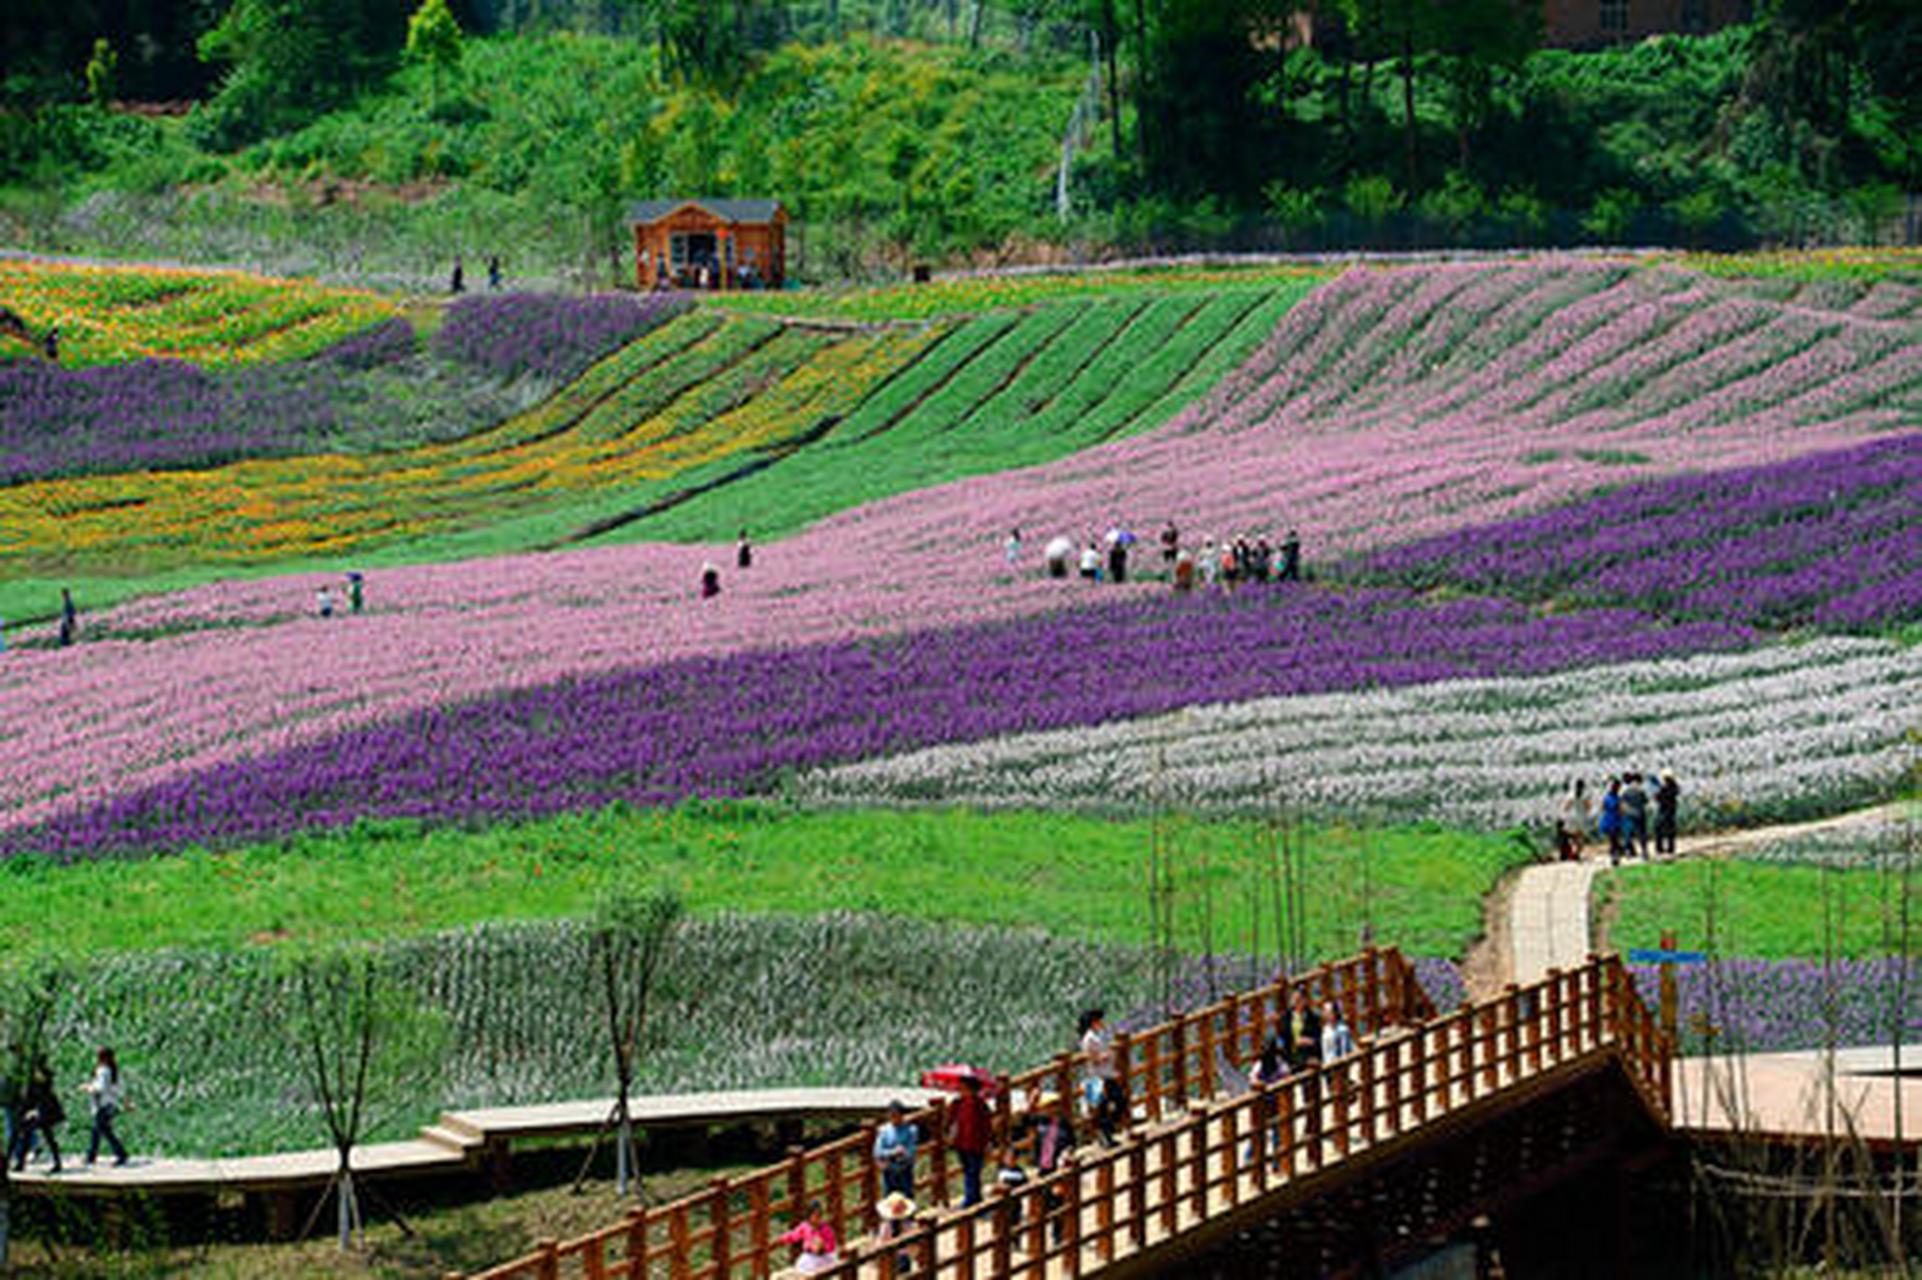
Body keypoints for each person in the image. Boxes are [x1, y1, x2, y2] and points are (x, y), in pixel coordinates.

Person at [1078, 1007, 1124, 1146]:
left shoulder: (1098, 1035)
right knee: (1107, 1105)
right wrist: (1106, 1055)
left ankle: (1107, 1134)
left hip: (1107, 1074)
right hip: (1098, 1076)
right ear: (1094, 1022)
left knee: (1116, 1103)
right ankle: (1105, 1136)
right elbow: (1092, 1058)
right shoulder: (1089, 1039)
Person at [10, 1054, 63, 1174]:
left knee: (43, 1136)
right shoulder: (35, 1076)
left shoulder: (42, 1076)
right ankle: (21, 1163)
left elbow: (42, 1096)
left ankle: (21, 1163)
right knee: (29, 1134)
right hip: (39, 1110)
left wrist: (35, 1111)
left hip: (43, 1111)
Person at [948, 1074, 992, 1208]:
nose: (960, 1089)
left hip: (976, 1143)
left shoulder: (980, 1104)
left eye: (963, 1087)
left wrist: (988, 1141)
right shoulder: (958, 1103)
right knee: (968, 1170)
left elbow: (987, 1124)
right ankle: (975, 1196)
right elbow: (950, 1119)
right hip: (962, 1142)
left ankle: (970, 1198)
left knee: (973, 1171)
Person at [1243, 1035, 1286, 1167]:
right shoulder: (1279, 1065)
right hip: (1276, 1102)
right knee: (1276, 1132)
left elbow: (1251, 1079)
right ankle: (1276, 1162)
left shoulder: (1259, 1065)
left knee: (1258, 1130)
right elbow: (1286, 1077)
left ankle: (1249, 1157)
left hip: (1261, 1102)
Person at [82, 1047, 127, 1167]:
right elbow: (119, 1088)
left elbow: (100, 1088)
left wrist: (88, 1088)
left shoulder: (102, 1071)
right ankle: (91, 1156)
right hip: (111, 1103)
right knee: (97, 1131)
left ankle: (121, 1154)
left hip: (102, 1105)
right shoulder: (113, 1070)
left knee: (104, 1131)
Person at [777, 1200, 839, 1274]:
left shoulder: (825, 1228)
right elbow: (794, 1235)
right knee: (801, 1265)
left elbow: (832, 1244)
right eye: (815, 1215)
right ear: (809, 1216)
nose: (818, 1218)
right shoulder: (805, 1227)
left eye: (819, 1215)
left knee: (824, 1266)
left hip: (825, 1256)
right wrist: (783, 1238)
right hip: (811, 1256)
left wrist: (823, 1248)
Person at [873, 1100, 918, 1198]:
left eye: (896, 1114)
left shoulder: (911, 1130)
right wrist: (893, 1152)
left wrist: (903, 1153)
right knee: (888, 1199)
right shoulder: (883, 1131)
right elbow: (877, 1151)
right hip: (888, 1170)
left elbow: (911, 1151)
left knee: (906, 1199)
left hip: (904, 1169)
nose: (893, 1117)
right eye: (891, 1114)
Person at [1284, 986, 1322, 1072]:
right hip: (1292, 1057)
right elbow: (1285, 1037)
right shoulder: (1287, 1017)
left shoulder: (1312, 1018)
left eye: (1299, 1000)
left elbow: (1318, 1039)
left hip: (1307, 1056)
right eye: (1294, 1000)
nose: (1296, 1003)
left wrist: (1309, 1041)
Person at [1557, 779, 1590, 862]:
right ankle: (1576, 854)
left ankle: (1570, 852)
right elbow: (1588, 807)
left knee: (1570, 836)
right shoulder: (1585, 796)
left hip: (1571, 817)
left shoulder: (1571, 795)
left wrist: (1562, 816)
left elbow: (1566, 807)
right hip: (1581, 818)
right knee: (1580, 838)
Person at [1622, 772, 1651, 860]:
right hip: (1640, 813)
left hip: (1629, 813)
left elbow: (1623, 802)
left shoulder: (1626, 790)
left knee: (1628, 833)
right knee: (1642, 833)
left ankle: (1627, 852)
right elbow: (1645, 801)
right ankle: (1644, 852)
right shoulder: (1641, 790)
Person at [1654, 772, 1681, 856]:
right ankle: (1670, 848)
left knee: (1659, 829)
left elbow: (1659, 798)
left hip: (1665, 811)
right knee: (1669, 831)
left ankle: (1660, 848)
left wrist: (1659, 795)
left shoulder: (1667, 789)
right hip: (1670, 811)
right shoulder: (1673, 788)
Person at [1600, 777, 1624, 866]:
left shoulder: (1606, 797)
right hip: (1615, 820)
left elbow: (1602, 808)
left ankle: (1614, 855)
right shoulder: (1618, 798)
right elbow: (1621, 810)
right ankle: (1615, 856)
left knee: (1612, 840)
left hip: (1608, 820)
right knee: (1615, 839)